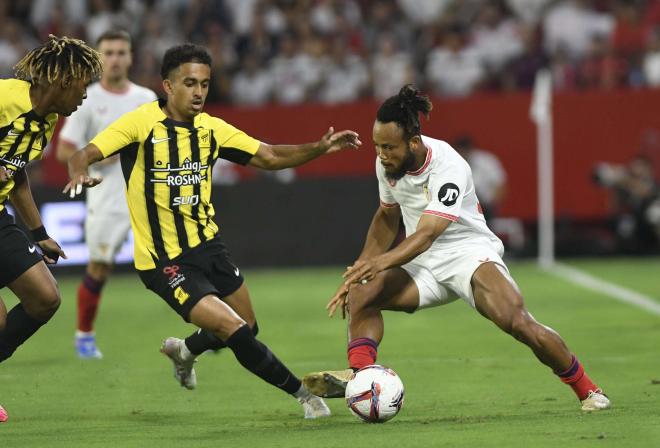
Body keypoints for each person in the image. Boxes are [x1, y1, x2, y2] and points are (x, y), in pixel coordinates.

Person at [64, 43, 361, 419]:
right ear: (168, 86)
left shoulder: (212, 129)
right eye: (189, 83)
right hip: (164, 260)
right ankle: (305, 396)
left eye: (204, 83)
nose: (199, 92)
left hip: (210, 248)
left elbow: (268, 156)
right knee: (233, 329)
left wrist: (318, 148)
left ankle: (185, 351)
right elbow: (84, 152)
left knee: (248, 327)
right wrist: (78, 170)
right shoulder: (140, 123)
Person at [302, 85, 610, 412]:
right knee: (362, 293)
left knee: (517, 322)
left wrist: (380, 263)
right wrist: (360, 268)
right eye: (377, 146)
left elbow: (428, 234)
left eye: (389, 147)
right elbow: (386, 217)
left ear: (414, 142)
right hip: (420, 264)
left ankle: (588, 390)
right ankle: (363, 377)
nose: (381, 155)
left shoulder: (449, 166)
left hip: (468, 256)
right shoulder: (387, 163)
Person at [0, 35, 103, 423]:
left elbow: (17, 174)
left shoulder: (47, 121)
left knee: (45, 297)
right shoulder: (4, 98)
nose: (84, 96)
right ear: (64, 80)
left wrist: (38, 232)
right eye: (83, 85)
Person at [56, 30, 158, 359]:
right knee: (100, 268)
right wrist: (94, 157)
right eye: (109, 52)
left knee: (177, 261)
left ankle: (206, 324)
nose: (115, 58)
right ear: (99, 58)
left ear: (130, 57)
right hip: (106, 198)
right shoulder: (86, 99)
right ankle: (84, 335)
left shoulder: (145, 98)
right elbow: (64, 149)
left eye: (121, 52)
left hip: (146, 197)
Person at [453, 135, 507, 222]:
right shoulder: (452, 163)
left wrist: (489, 201)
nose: (462, 154)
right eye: (460, 151)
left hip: (485, 207)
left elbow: (501, 188)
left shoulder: (487, 162)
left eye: (464, 151)